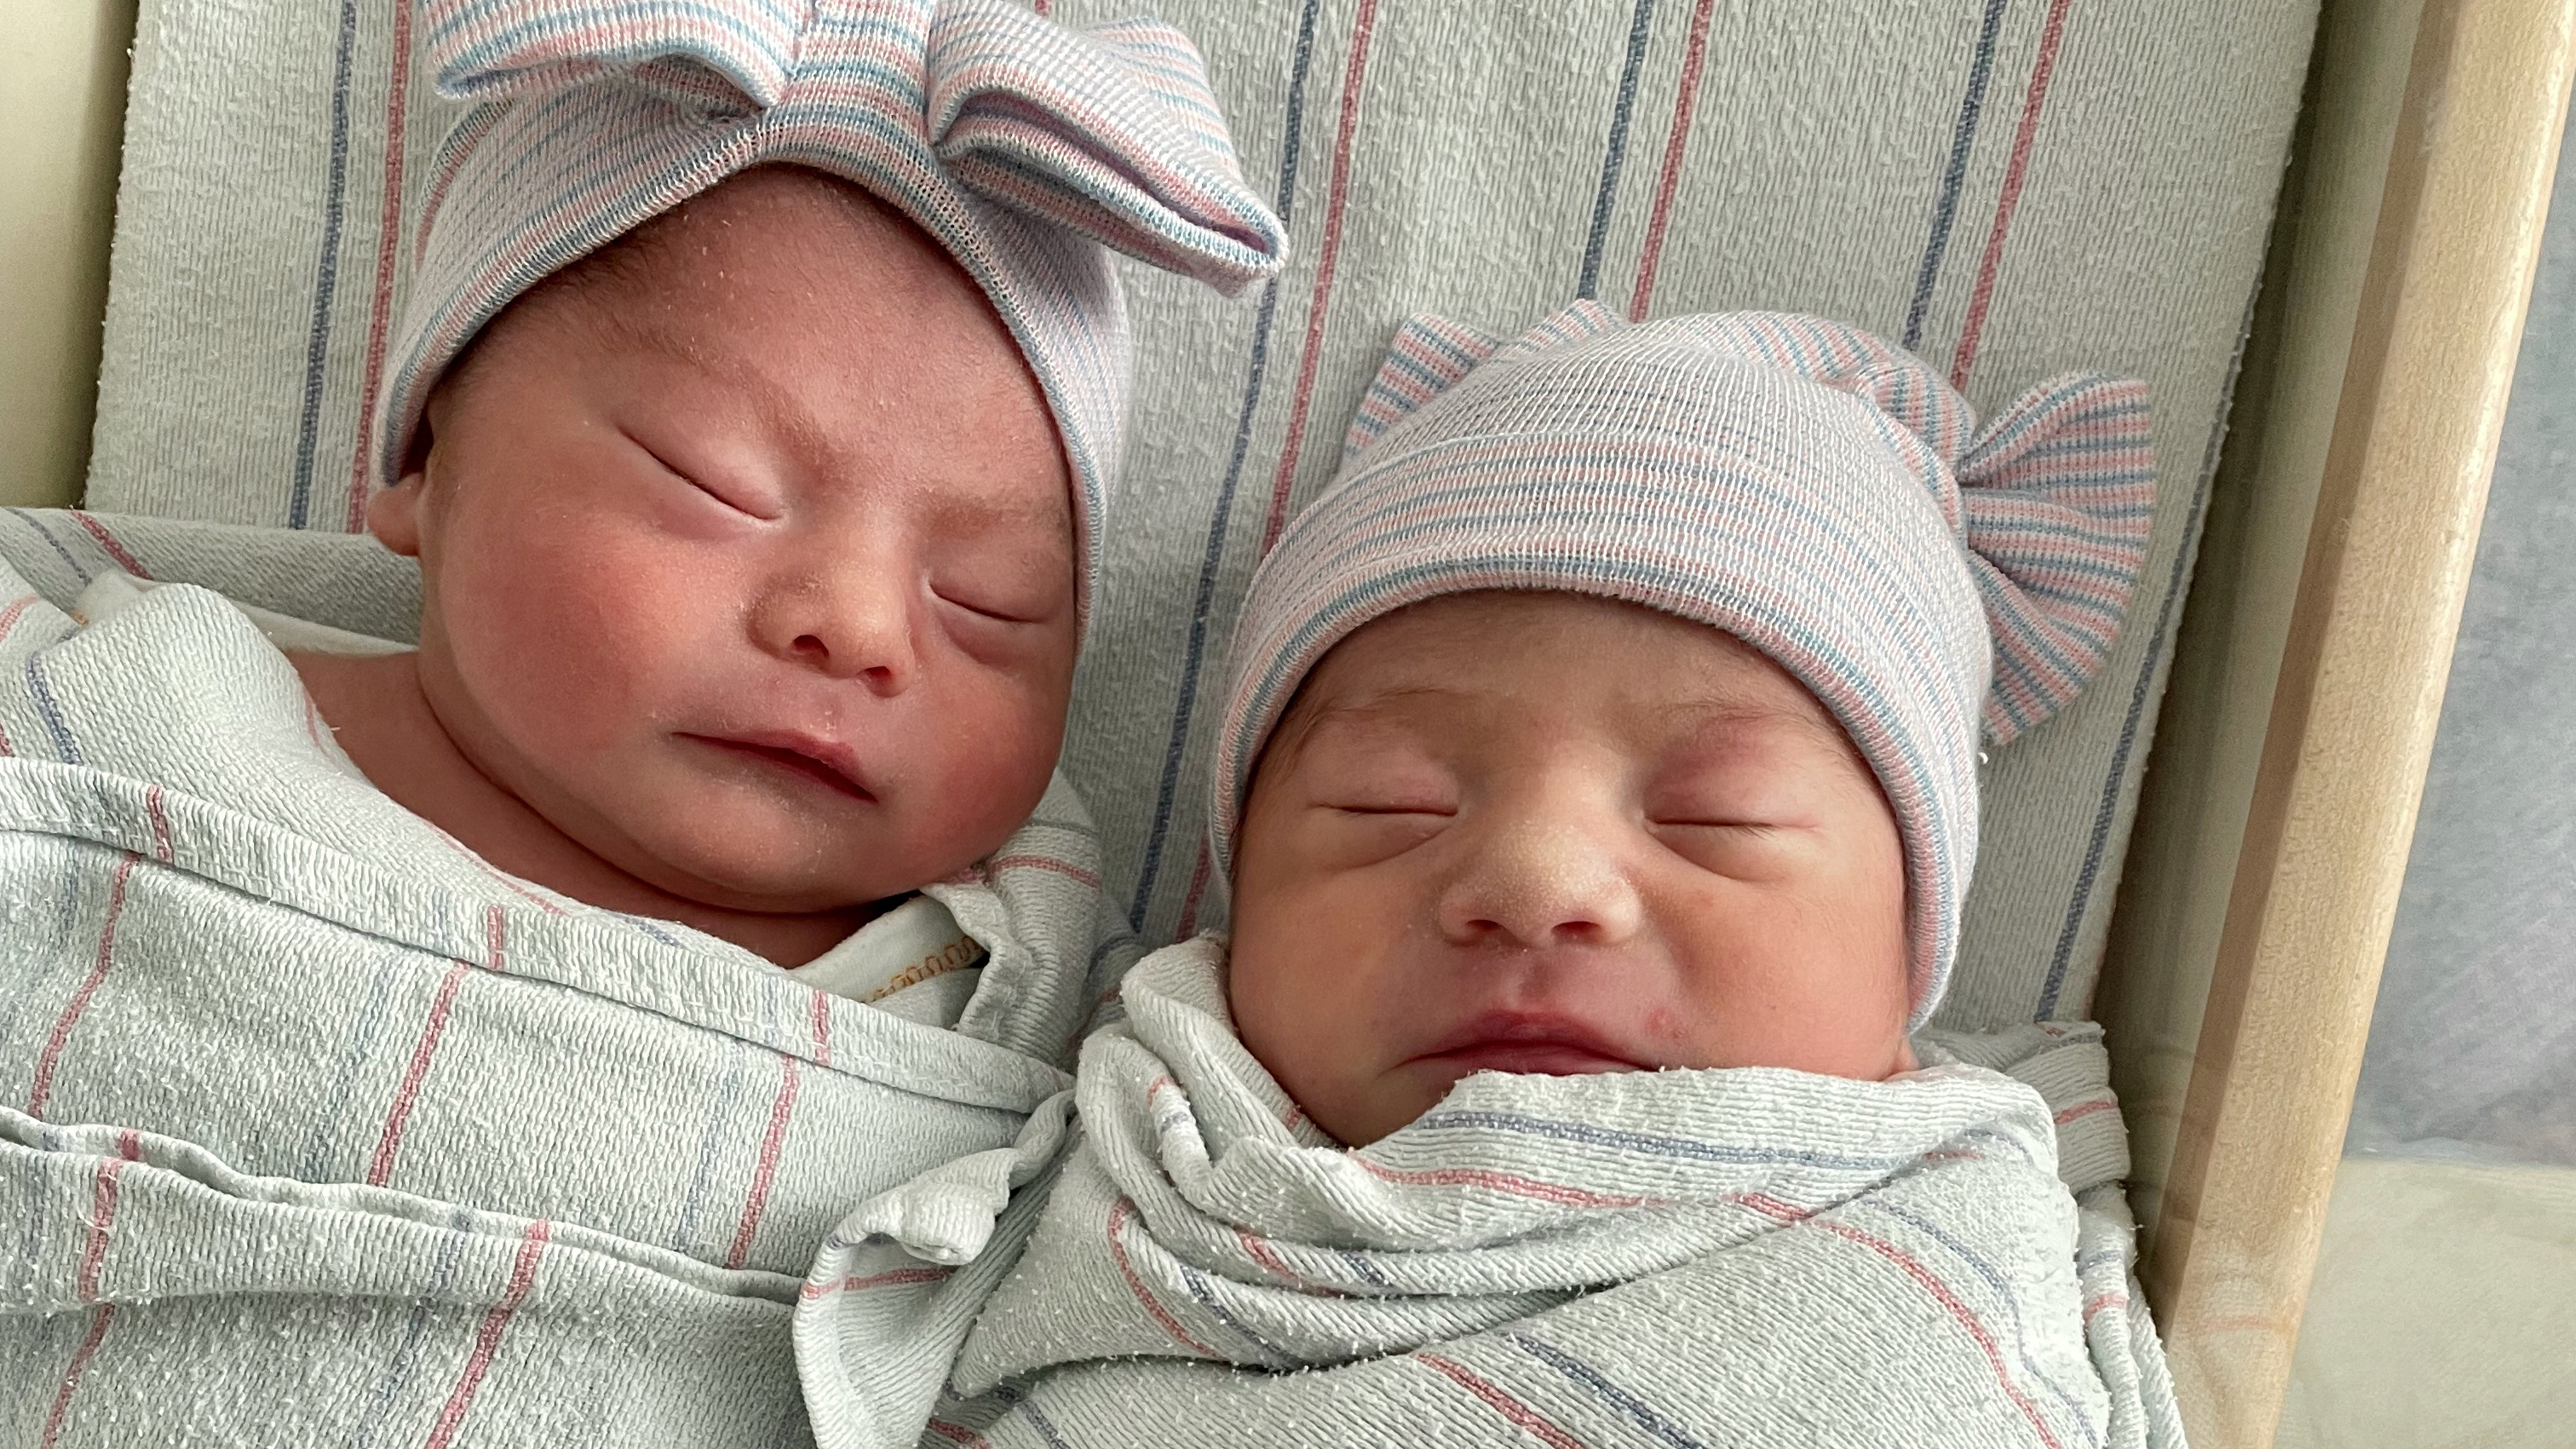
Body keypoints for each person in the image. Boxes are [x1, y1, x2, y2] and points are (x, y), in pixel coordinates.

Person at [0, 2, 1279, 1443]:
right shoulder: (129, 701)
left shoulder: (1047, 1006)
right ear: (427, 458)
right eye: (713, 481)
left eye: (987, 600)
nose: (856, 626)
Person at [796, 303, 2187, 1449]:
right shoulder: (1131, 1166)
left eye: (1718, 815)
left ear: (1911, 953)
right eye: (1387, 803)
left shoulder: (1944, 1241)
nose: (1532, 879)